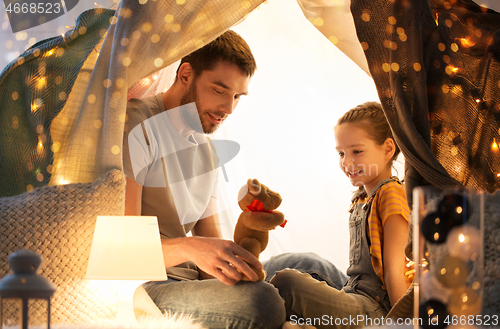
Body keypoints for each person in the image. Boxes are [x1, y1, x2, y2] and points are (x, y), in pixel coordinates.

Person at [122, 30, 285, 329]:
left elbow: (210, 248)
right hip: (152, 287)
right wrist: (190, 247)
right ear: (186, 74)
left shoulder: (208, 151)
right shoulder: (138, 124)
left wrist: (240, 252)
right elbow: (122, 248)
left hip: (195, 285)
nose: (229, 108)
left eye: (237, 96)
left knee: (301, 272)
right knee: (264, 302)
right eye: (219, 90)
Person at [269, 102, 411, 328]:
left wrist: (403, 324)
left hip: (375, 309)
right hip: (353, 292)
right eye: (341, 153)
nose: (346, 162)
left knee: (286, 283)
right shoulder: (362, 198)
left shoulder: (391, 194)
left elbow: (395, 270)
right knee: (302, 270)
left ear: (387, 149)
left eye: (357, 151)